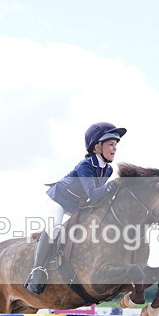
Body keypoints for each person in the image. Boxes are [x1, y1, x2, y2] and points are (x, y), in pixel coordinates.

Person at [24, 121, 126, 294]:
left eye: (115, 145)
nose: (114, 148)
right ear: (97, 147)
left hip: (77, 205)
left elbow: (97, 199)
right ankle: (37, 271)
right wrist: (113, 185)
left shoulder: (107, 170)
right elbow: (94, 194)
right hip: (58, 200)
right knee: (55, 228)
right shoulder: (85, 166)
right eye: (110, 144)